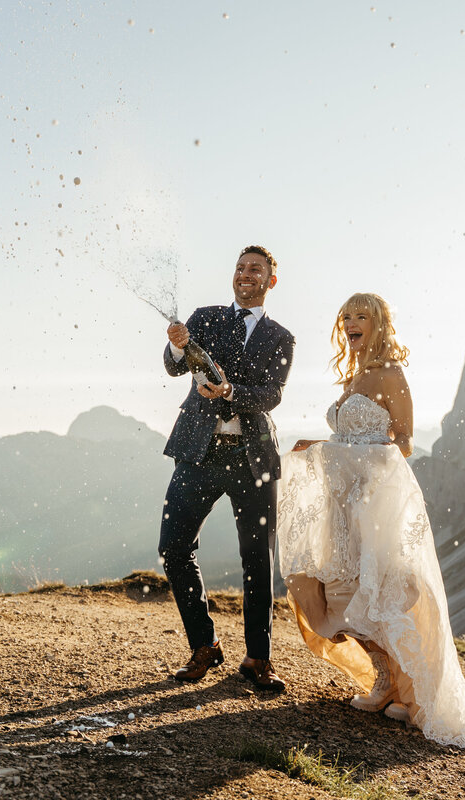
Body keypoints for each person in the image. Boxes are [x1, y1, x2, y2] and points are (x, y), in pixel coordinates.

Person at [277, 292, 465, 751]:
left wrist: (340, 453)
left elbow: (402, 442)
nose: (351, 322)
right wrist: (323, 446)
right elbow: (348, 435)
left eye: (361, 315)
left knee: (386, 587)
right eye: (346, 315)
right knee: (337, 585)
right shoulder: (354, 375)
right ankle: (385, 679)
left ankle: (410, 691)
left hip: (377, 500)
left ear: (380, 323)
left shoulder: (391, 374)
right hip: (342, 500)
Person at [159, 245, 295, 691]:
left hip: (252, 457)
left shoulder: (281, 337)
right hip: (198, 451)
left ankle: (258, 659)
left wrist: (232, 391)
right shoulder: (204, 316)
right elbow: (172, 367)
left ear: (270, 281)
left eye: (255, 269)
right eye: (240, 267)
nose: (245, 274)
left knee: (257, 559)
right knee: (174, 547)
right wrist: (177, 346)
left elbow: (271, 395)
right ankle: (204, 645)